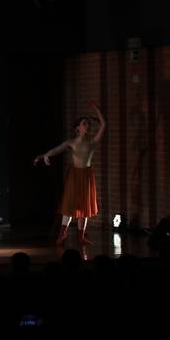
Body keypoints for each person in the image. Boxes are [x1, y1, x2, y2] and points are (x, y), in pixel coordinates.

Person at [34, 103, 106, 246]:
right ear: (78, 128)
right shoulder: (72, 142)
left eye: (88, 124)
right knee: (69, 204)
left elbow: (103, 125)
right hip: (74, 176)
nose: (87, 126)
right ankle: (62, 233)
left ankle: (80, 236)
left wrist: (97, 110)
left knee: (84, 207)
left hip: (86, 176)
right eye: (84, 124)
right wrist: (44, 155)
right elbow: (56, 149)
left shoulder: (92, 142)